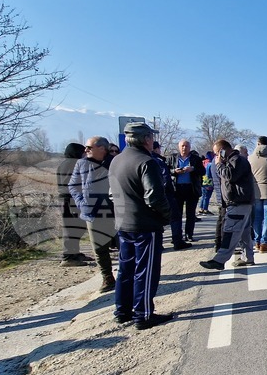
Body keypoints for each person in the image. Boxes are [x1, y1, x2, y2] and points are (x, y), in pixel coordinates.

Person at [109, 122, 172, 330]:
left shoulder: (116, 160)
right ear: (146, 139)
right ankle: (143, 314)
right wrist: (166, 216)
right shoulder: (147, 162)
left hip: (123, 223)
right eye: (151, 137)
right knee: (145, 271)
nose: (152, 140)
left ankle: (122, 310)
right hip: (145, 225)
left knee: (126, 269)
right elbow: (154, 197)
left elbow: (112, 194)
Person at [68, 136, 116, 292]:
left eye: (89, 147)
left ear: (102, 148)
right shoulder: (82, 164)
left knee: (125, 245)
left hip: (117, 211)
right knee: (99, 248)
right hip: (93, 212)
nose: (85, 150)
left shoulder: (114, 163)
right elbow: (73, 186)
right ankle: (107, 278)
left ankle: (130, 274)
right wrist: (83, 203)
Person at [199, 139, 256, 270]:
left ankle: (219, 260)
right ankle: (248, 257)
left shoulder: (237, 160)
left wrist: (219, 165)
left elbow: (230, 176)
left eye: (217, 153)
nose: (216, 157)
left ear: (222, 151)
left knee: (230, 232)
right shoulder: (235, 160)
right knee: (244, 232)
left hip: (238, 202)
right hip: (241, 202)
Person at [167, 139, 205, 243]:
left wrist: (193, 169)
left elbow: (203, 171)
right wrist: (174, 171)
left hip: (191, 189)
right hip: (177, 189)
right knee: (176, 214)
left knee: (190, 214)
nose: (184, 148)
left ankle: (189, 235)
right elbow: (165, 170)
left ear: (190, 147)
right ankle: (177, 236)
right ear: (179, 147)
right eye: (182, 146)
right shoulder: (172, 158)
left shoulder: (195, 159)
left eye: (186, 146)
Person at [57, 142, 89, 266]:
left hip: (66, 198)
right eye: (83, 152)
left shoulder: (63, 164)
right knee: (72, 227)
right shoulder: (75, 164)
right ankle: (68, 256)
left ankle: (74, 253)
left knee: (75, 227)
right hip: (70, 199)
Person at [151, 141, 186, 250]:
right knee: (175, 217)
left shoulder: (143, 159)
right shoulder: (158, 161)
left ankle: (158, 244)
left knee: (156, 219)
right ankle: (177, 241)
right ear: (156, 149)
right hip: (165, 194)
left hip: (151, 196)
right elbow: (165, 179)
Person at [198, 151, 215, 215]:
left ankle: (201, 208)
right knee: (207, 196)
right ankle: (205, 209)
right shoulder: (210, 164)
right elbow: (210, 174)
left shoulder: (203, 162)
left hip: (203, 181)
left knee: (203, 196)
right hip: (209, 182)